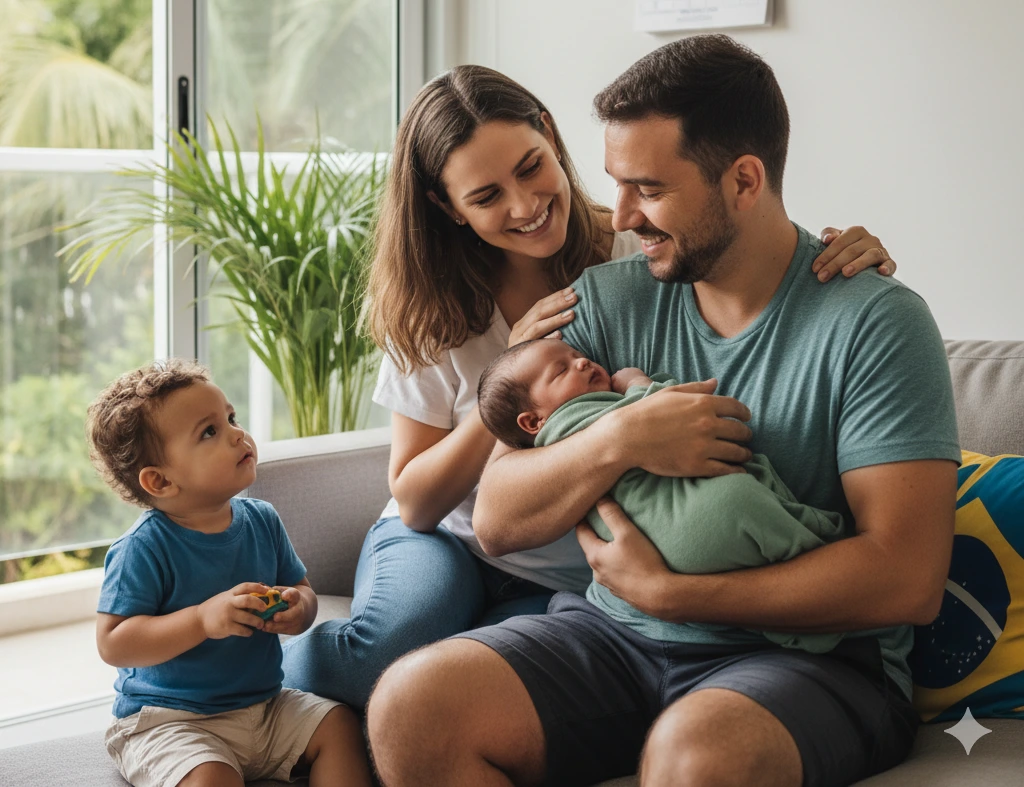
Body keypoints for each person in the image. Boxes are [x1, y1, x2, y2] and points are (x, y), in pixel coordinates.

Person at [365, 37, 960, 787]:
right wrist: (621, 436)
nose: (620, 215)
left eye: (647, 188)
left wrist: (678, 594)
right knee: (412, 705)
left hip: (809, 657)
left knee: (697, 755)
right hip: (615, 630)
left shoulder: (875, 322)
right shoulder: (609, 296)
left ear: (745, 180)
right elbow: (498, 517)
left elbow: (906, 578)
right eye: (616, 185)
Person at [281, 63, 897, 711]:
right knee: (380, 654)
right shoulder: (432, 307)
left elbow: (742, 235)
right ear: (447, 207)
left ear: (549, 134)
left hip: (571, 568)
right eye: (486, 197)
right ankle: (237, 663)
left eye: (529, 167)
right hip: (446, 539)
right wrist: (505, 378)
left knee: (460, 680)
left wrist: (843, 252)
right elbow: (415, 502)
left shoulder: (638, 253)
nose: (524, 205)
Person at [88, 360, 370, 787]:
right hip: (172, 721)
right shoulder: (142, 547)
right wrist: (202, 619)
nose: (237, 433)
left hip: (265, 705)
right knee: (212, 777)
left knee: (339, 725)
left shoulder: (262, 519)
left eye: (231, 418)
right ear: (160, 482)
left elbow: (300, 587)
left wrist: (300, 608)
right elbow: (114, 643)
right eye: (210, 431)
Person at [476, 337, 846, 653]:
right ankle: (812, 552)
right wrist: (638, 383)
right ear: (533, 422)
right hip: (678, 536)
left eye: (575, 355)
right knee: (737, 500)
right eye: (561, 371)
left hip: (661, 556)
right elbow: (660, 413)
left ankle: (797, 614)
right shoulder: (567, 423)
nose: (582, 360)